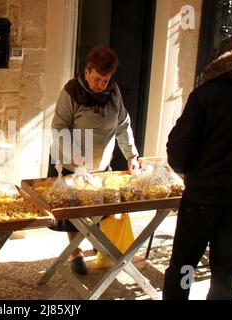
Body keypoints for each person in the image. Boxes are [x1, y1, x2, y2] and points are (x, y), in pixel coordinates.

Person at [164, 33, 232, 300]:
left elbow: (178, 152)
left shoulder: (206, 95)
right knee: (226, 273)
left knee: (184, 266)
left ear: (222, 59)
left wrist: (186, 169)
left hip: (202, 200)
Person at [48, 45, 140, 275]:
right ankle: (75, 252)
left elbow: (122, 124)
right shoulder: (70, 92)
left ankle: (98, 244)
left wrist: (131, 154)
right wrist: (76, 157)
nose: (101, 85)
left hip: (100, 166)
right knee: (73, 215)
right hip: (71, 164)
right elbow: (59, 128)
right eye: (97, 79)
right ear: (87, 72)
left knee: (101, 210)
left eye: (106, 80)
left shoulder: (114, 92)